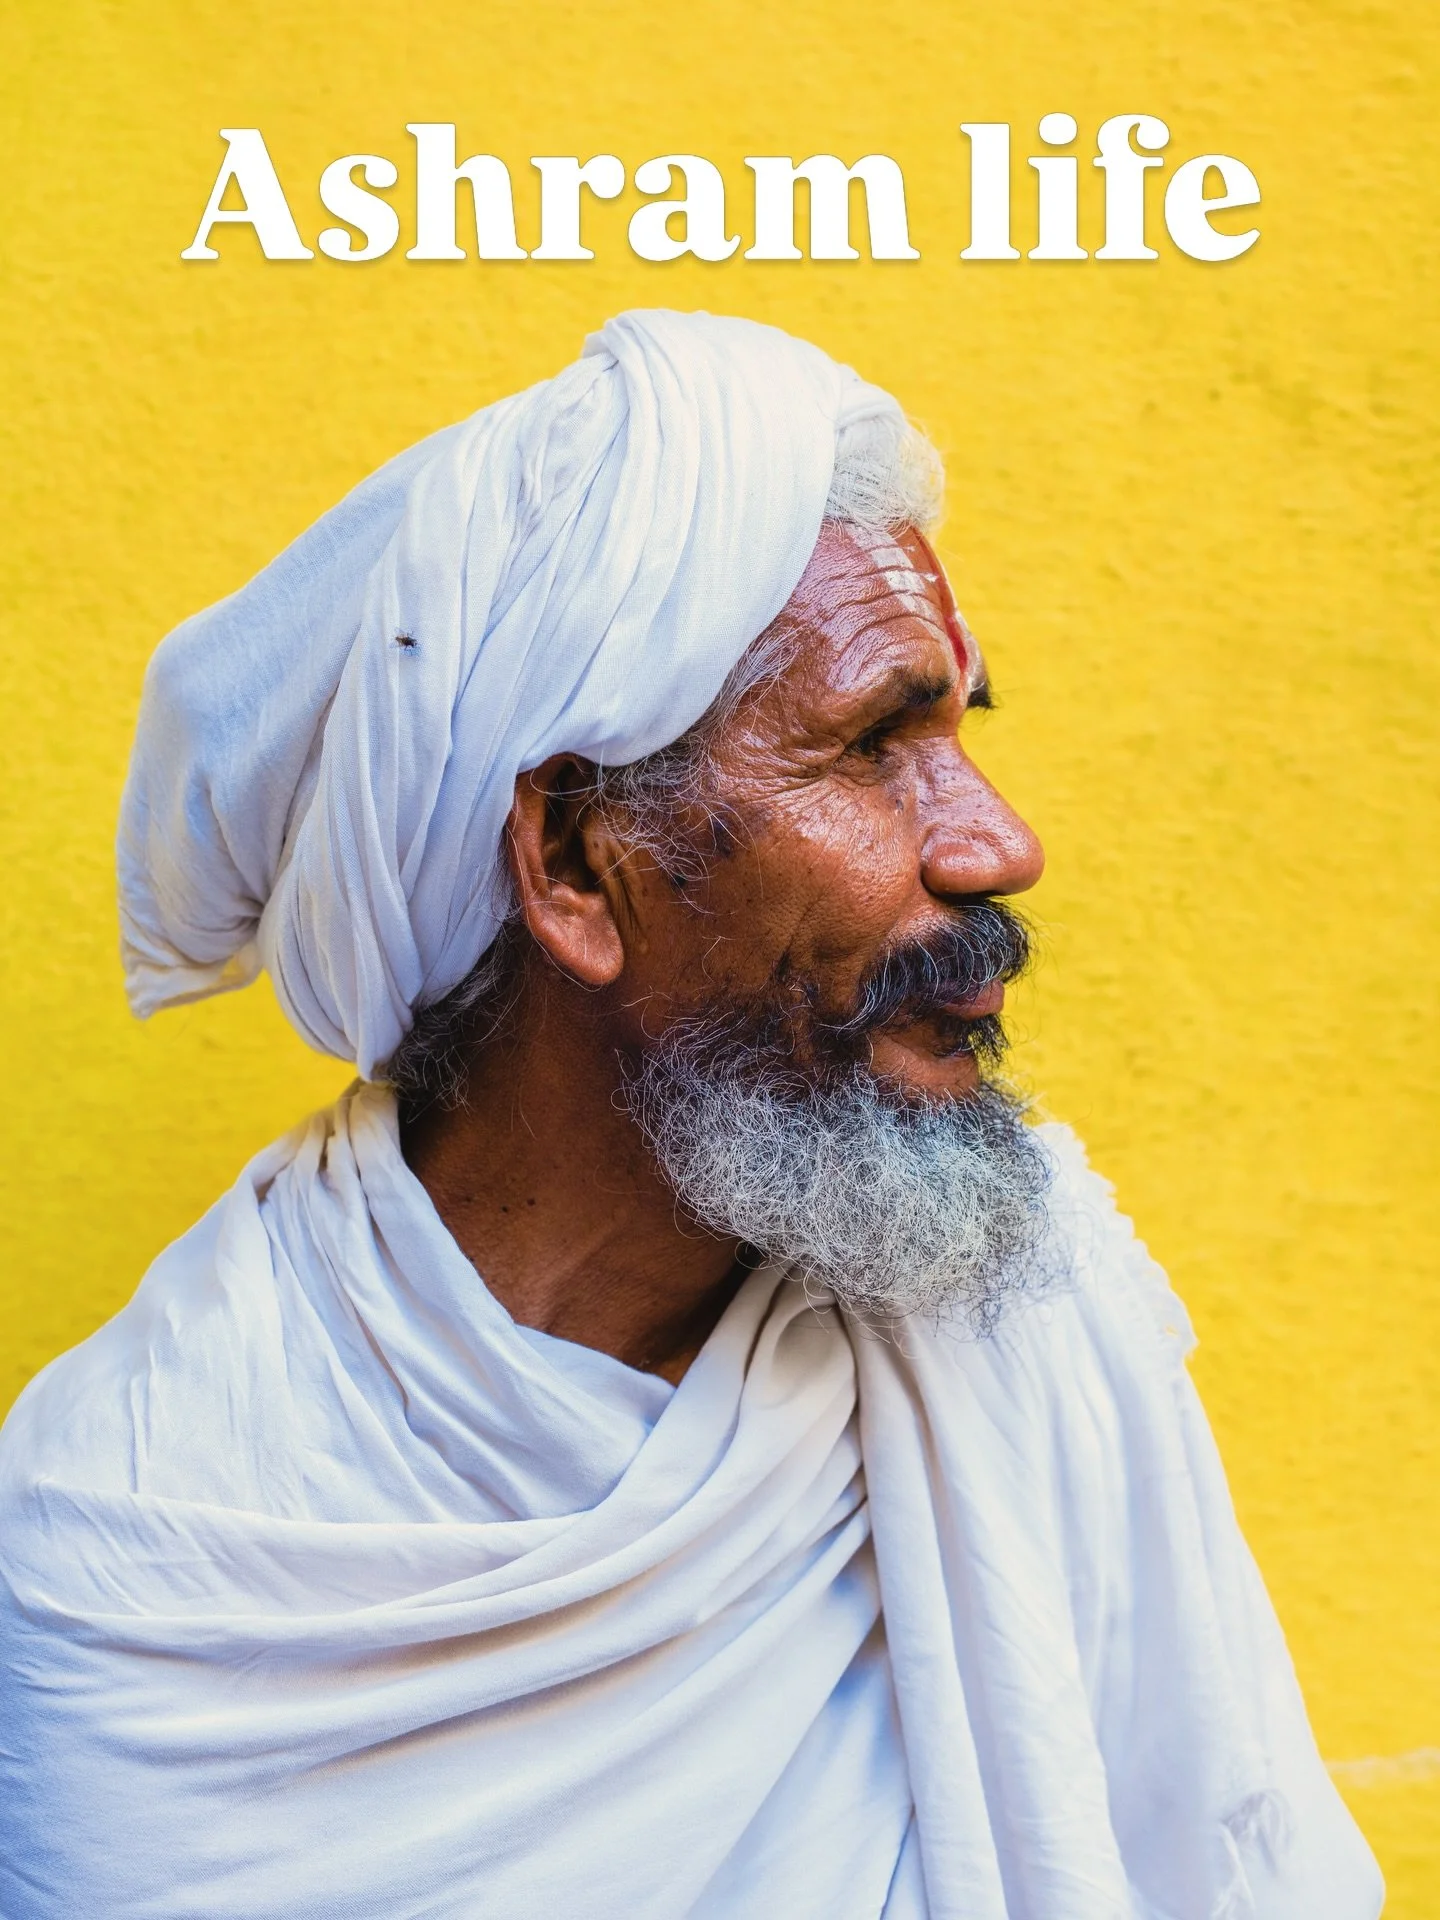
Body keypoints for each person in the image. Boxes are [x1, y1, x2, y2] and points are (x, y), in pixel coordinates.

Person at [0, 310, 1381, 1920]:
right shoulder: (138, 1576)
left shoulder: (1029, 1322)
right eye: (876, 746)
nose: (999, 844)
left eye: (964, 735)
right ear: (583, 862)